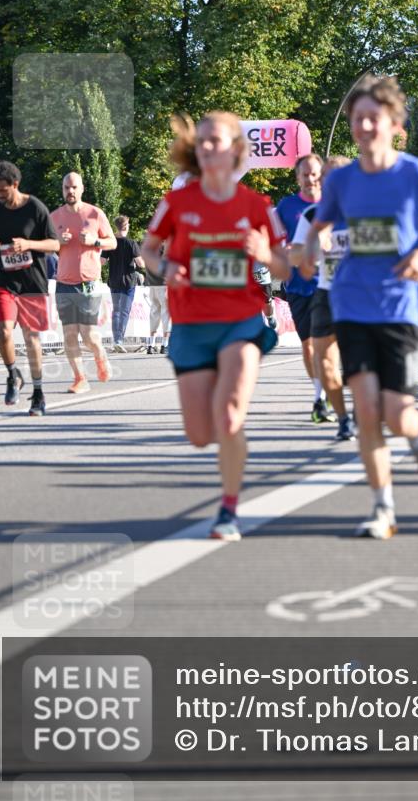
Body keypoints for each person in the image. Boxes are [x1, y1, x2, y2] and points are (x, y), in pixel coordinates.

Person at [303, 75, 418, 539]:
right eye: (357, 118)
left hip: (401, 309)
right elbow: (321, 224)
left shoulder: (415, 175)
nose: (364, 125)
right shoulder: (345, 178)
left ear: (393, 123)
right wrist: (313, 244)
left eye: (374, 117)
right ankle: (382, 508)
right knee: (367, 409)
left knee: (396, 412)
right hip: (351, 304)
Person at [141, 111, 289, 541]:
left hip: (239, 321)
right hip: (190, 323)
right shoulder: (177, 204)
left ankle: (228, 509)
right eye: (201, 141)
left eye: (216, 141)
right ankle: (229, 446)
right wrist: (166, 266)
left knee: (227, 418)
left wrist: (264, 252)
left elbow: (285, 265)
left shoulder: (257, 206)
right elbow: (150, 251)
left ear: (235, 151)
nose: (206, 148)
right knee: (200, 434)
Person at [0, 160, 60, 415]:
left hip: (32, 282)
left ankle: (38, 392)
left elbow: (54, 245)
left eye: (3, 190)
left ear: (15, 185)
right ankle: (12, 374)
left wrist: (28, 244)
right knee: (4, 331)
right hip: (3, 279)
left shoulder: (35, 208)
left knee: (31, 339)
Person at [291, 156, 355, 441]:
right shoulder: (312, 216)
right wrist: (312, 246)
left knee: (360, 364)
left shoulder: (365, 212)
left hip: (362, 296)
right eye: (325, 177)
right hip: (327, 293)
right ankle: (343, 417)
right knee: (326, 361)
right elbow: (294, 254)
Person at [276, 153, 336, 424]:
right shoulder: (286, 207)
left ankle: (333, 389)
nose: (310, 179)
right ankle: (319, 395)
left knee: (333, 344)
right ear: (297, 177)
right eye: (305, 175)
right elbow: (275, 242)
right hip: (299, 285)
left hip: (333, 285)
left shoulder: (336, 203)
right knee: (310, 344)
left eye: (314, 174)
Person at [50, 172, 116, 393]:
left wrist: (95, 241)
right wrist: (57, 242)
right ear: (62, 189)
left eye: (74, 187)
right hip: (63, 284)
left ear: (82, 188)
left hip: (88, 283)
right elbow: (46, 245)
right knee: (69, 334)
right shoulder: (55, 217)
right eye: (66, 187)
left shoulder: (95, 213)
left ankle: (99, 355)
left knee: (88, 335)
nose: (70, 191)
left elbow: (113, 242)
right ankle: (80, 379)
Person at [102, 215, 145, 352]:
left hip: (114, 281)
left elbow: (101, 262)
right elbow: (141, 264)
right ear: (126, 226)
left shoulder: (110, 243)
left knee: (116, 310)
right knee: (125, 311)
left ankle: (116, 340)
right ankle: (119, 339)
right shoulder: (132, 243)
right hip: (128, 282)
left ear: (116, 226)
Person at [144, 245, 171, 354]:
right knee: (166, 314)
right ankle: (165, 345)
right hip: (163, 284)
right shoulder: (165, 247)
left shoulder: (148, 246)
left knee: (154, 313)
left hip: (151, 283)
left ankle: (151, 344)